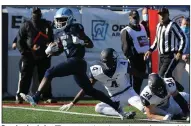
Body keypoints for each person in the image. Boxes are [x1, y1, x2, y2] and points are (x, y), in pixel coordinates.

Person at [20, 8, 126, 120]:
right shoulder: (60, 33)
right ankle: (116, 106)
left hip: (77, 61)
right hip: (75, 64)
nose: (59, 22)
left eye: (62, 19)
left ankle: (36, 97)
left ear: (69, 19)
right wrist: (51, 51)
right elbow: (60, 50)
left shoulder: (75, 28)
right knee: (90, 91)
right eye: (58, 20)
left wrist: (81, 41)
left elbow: (90, 44)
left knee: (49, 72)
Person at [59, 48, 148, 118]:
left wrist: (153, 76)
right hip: (114, 99)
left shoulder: (122, 65)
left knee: (144, 108)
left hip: (129, 93)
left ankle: (159, 114)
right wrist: (73, 102)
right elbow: (87, 88)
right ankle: (123, 113)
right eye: (114, 59)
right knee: (98, 107)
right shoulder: (96, 72)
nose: (116, 60)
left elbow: (139, 74)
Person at [16, 7, 55, 103]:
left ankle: (46, 96)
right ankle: (21, 95)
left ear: (41, 14)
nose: (36, 15)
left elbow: (51, 39)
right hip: (29, 55)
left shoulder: (47, 25)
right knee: (26, 76)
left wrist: (49, 49)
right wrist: (25, 52)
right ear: (32, 14)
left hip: (44, 55)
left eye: (38, 13)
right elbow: (19, 41)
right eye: (35, 13)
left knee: (46, 76)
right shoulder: (26, 25)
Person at [144, 7, 187, 91]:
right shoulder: (158, 26)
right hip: (162, 56)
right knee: (166, 77)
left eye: (164, 14)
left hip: (170, 55)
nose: (162, 16)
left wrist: (180, 52)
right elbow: (156, 41)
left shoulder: (172, 25)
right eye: (160, 15)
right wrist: (150, 50)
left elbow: (183, 38)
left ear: (168, 15)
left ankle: (177, 92)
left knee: (163, 76)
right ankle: (178, 90)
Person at [120, 10, 149, 94]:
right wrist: (131, 58)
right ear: (130, 18)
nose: (135, 19)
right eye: (134, 18)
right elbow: (125, 48)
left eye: (137, 17)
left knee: (140, 79)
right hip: (134, 59)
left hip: (144, 57)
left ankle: (136, 95)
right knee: (134, 80)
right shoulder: (126, 30)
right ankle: (133, 97)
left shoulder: (142, 27)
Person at [173, 17, 190, 84]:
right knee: (177, 80)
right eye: (184, 24)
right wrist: (182, 55)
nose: (186, 26)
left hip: (189, 59)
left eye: (188, 25)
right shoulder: (176, 35)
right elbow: (173, 48)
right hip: (179, 60)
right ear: (181, 25)